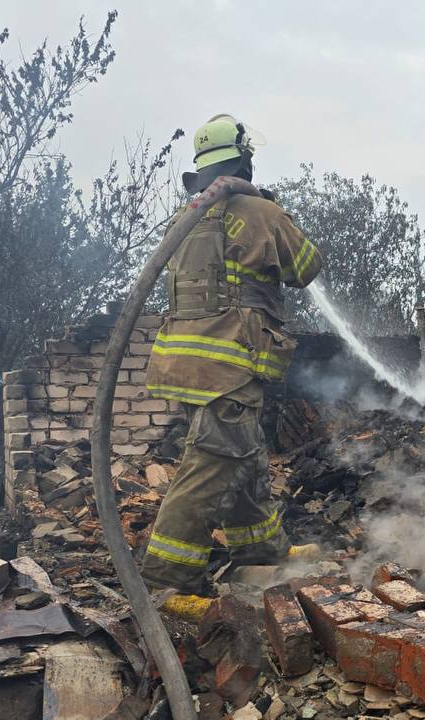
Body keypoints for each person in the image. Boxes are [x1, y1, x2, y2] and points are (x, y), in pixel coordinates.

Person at [141, 114, 323, 620]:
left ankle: (258, 547)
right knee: (209, 467)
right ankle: (165, 581)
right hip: (228, 361)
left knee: (240, 453)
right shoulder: (255, 211)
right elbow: (307, 266)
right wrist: (274, 207)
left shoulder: (190, 215)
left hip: (187, 362)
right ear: (243, 158)